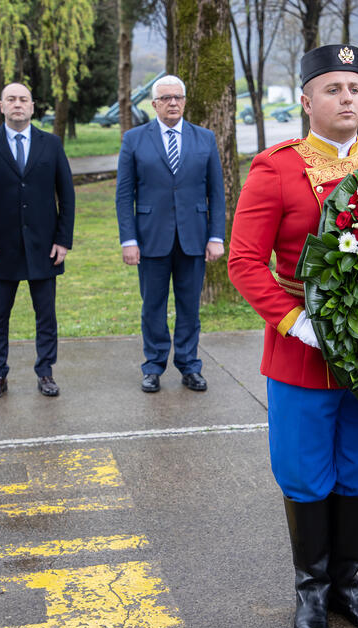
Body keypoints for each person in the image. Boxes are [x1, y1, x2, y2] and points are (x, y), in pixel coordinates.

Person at [228, 44, 358, 628]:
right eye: (335, 89)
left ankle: (349, 584)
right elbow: (244, 263)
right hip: (302, 348)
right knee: (305, 472)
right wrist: (298, 322)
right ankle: (311, 589)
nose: (348, 99)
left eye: (356, 89)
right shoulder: (276, 167)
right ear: (307, 100)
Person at [115, 75, 226, 394]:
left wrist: (216, 236)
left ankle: (190, 366)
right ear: (153, 104)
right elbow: (125, 195)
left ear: (185, 101)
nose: (172, 102)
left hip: (194, 237)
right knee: (153, 305)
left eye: (178, 97)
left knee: (190, 306)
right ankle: (153, 366)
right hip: (150, 239)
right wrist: (129, 239)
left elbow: (216, 193)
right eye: (165, 98)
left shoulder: (204, 138)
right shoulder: (134, 139)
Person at [0, 83, 75, 400]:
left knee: (46, 315)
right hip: (0, 249)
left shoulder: (51, 144)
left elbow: (66, 195)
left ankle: (45, 372)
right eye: (11, 99)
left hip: (45, 246)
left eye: (23, 99)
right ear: (1, 106)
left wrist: (63, 240)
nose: (18, 104)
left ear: (32, 106)